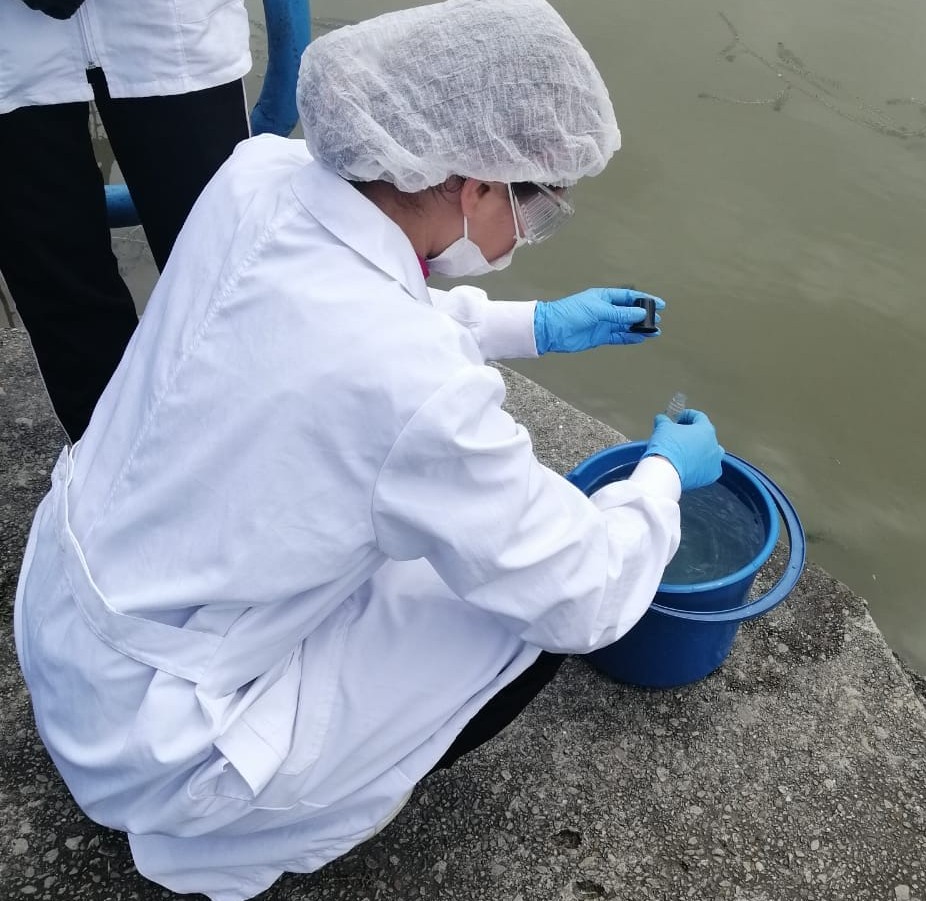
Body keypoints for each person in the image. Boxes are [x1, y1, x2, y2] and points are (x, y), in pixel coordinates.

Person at [12, 1, 725, 899]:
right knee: (530, 613)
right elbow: (581, 590)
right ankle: (228, 836)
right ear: (473, 185)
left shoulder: (255, 177)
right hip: (152, 746)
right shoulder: (417, 386)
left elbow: (342, 315)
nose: (532, 233)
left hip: (64, 628)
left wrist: (536, 326)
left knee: (445, 540)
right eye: (537, 208)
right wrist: (660, 479)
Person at [0, 0, 253, 442]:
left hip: (166, 31)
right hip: (10, 57)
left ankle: (245, 466)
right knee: (62, 294)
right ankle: (114, 482)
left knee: (227, 281)